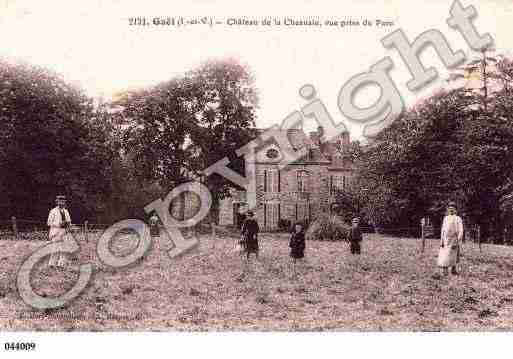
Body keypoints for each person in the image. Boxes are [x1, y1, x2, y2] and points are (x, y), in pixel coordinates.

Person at [438, 201, 464, 276]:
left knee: (453, 255)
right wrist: (442, 240)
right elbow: (443, 229)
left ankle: (453, 269)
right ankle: (444, 271)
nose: (451, 210)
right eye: (450, 209)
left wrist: (457, 240)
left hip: (454, 239)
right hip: (446, 239)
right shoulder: (445, 218)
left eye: (453, 209)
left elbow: (460, 230)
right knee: (445, 255)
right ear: (448, 210)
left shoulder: (458, 218)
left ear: (456, 210)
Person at [47, 194, 72, 269]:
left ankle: (61, 264)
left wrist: (68, 225)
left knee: (64, 249)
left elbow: (69, 221)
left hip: (64, 232)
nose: (61, 203)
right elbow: (49, 222)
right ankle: (51, 264)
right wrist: (58, 224)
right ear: (57, 202)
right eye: (60, 202)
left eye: (63, 202)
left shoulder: (66, 211)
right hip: (56, 232)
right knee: (55, 248)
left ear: (64, 202)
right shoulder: (53, 211)